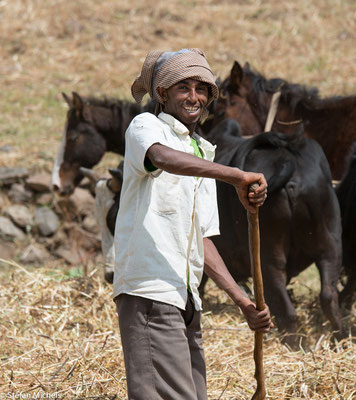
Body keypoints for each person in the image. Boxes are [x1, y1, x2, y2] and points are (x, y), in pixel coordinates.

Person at [113, 48, 273, 400]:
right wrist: (236, 176)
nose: (194, 97)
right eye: (183, 87)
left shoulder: (201, 149)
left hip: (186, 298)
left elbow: (200, 238)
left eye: (202, 89)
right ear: (163, 93)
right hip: (150, 291)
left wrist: (243, 302)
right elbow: (163, 159)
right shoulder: (146, 127)